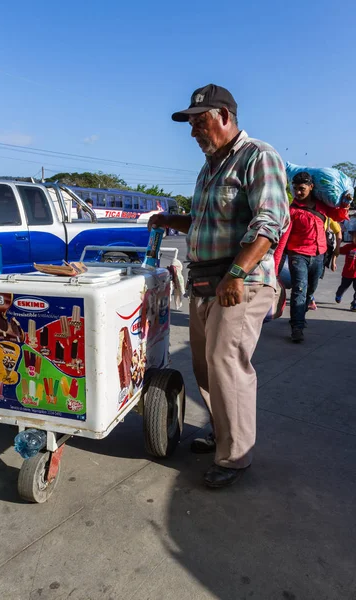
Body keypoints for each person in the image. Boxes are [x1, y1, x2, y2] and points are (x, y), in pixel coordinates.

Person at [148, 83, 289, 488]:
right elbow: (204, 224)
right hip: (206, 280)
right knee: (204, 366)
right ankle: (220, 432)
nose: (193, 131)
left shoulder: (258, 156)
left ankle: (235, 457)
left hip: (238, 282)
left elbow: (270, 223)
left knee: (228, 366)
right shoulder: (210, 167)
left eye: (200, 121)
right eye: (190, 124)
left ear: (225, 115)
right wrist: (169, 222)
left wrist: (237, 274)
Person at [274, 172, 349, 342]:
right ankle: (297, 327)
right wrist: (275, 267)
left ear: (311, 187)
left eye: (302, 189)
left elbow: (337, 216)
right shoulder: (291, 211)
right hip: (298, 255)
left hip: (319, 255)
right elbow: (283, 240)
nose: (298, 192)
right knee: (299, 289)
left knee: (310, 290)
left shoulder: (321, 206)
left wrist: (345, 202)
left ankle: (300, 313)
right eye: (295, 189)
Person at [308, 217, 342, 310]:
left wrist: (337, 251)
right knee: (304, 279)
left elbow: (338, 231)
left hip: (320, 253)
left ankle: (309, 296)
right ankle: (309, 299)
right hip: (304, 251)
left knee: (314, 278)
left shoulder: (328, 216)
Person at [332, 229, 356, 311]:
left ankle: (354, 304)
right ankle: (339, 294)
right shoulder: (348, 247)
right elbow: (338, 251)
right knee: (343, 287)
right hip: (347, 273)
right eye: (355, 237)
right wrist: (333, 262)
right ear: (352, 238)